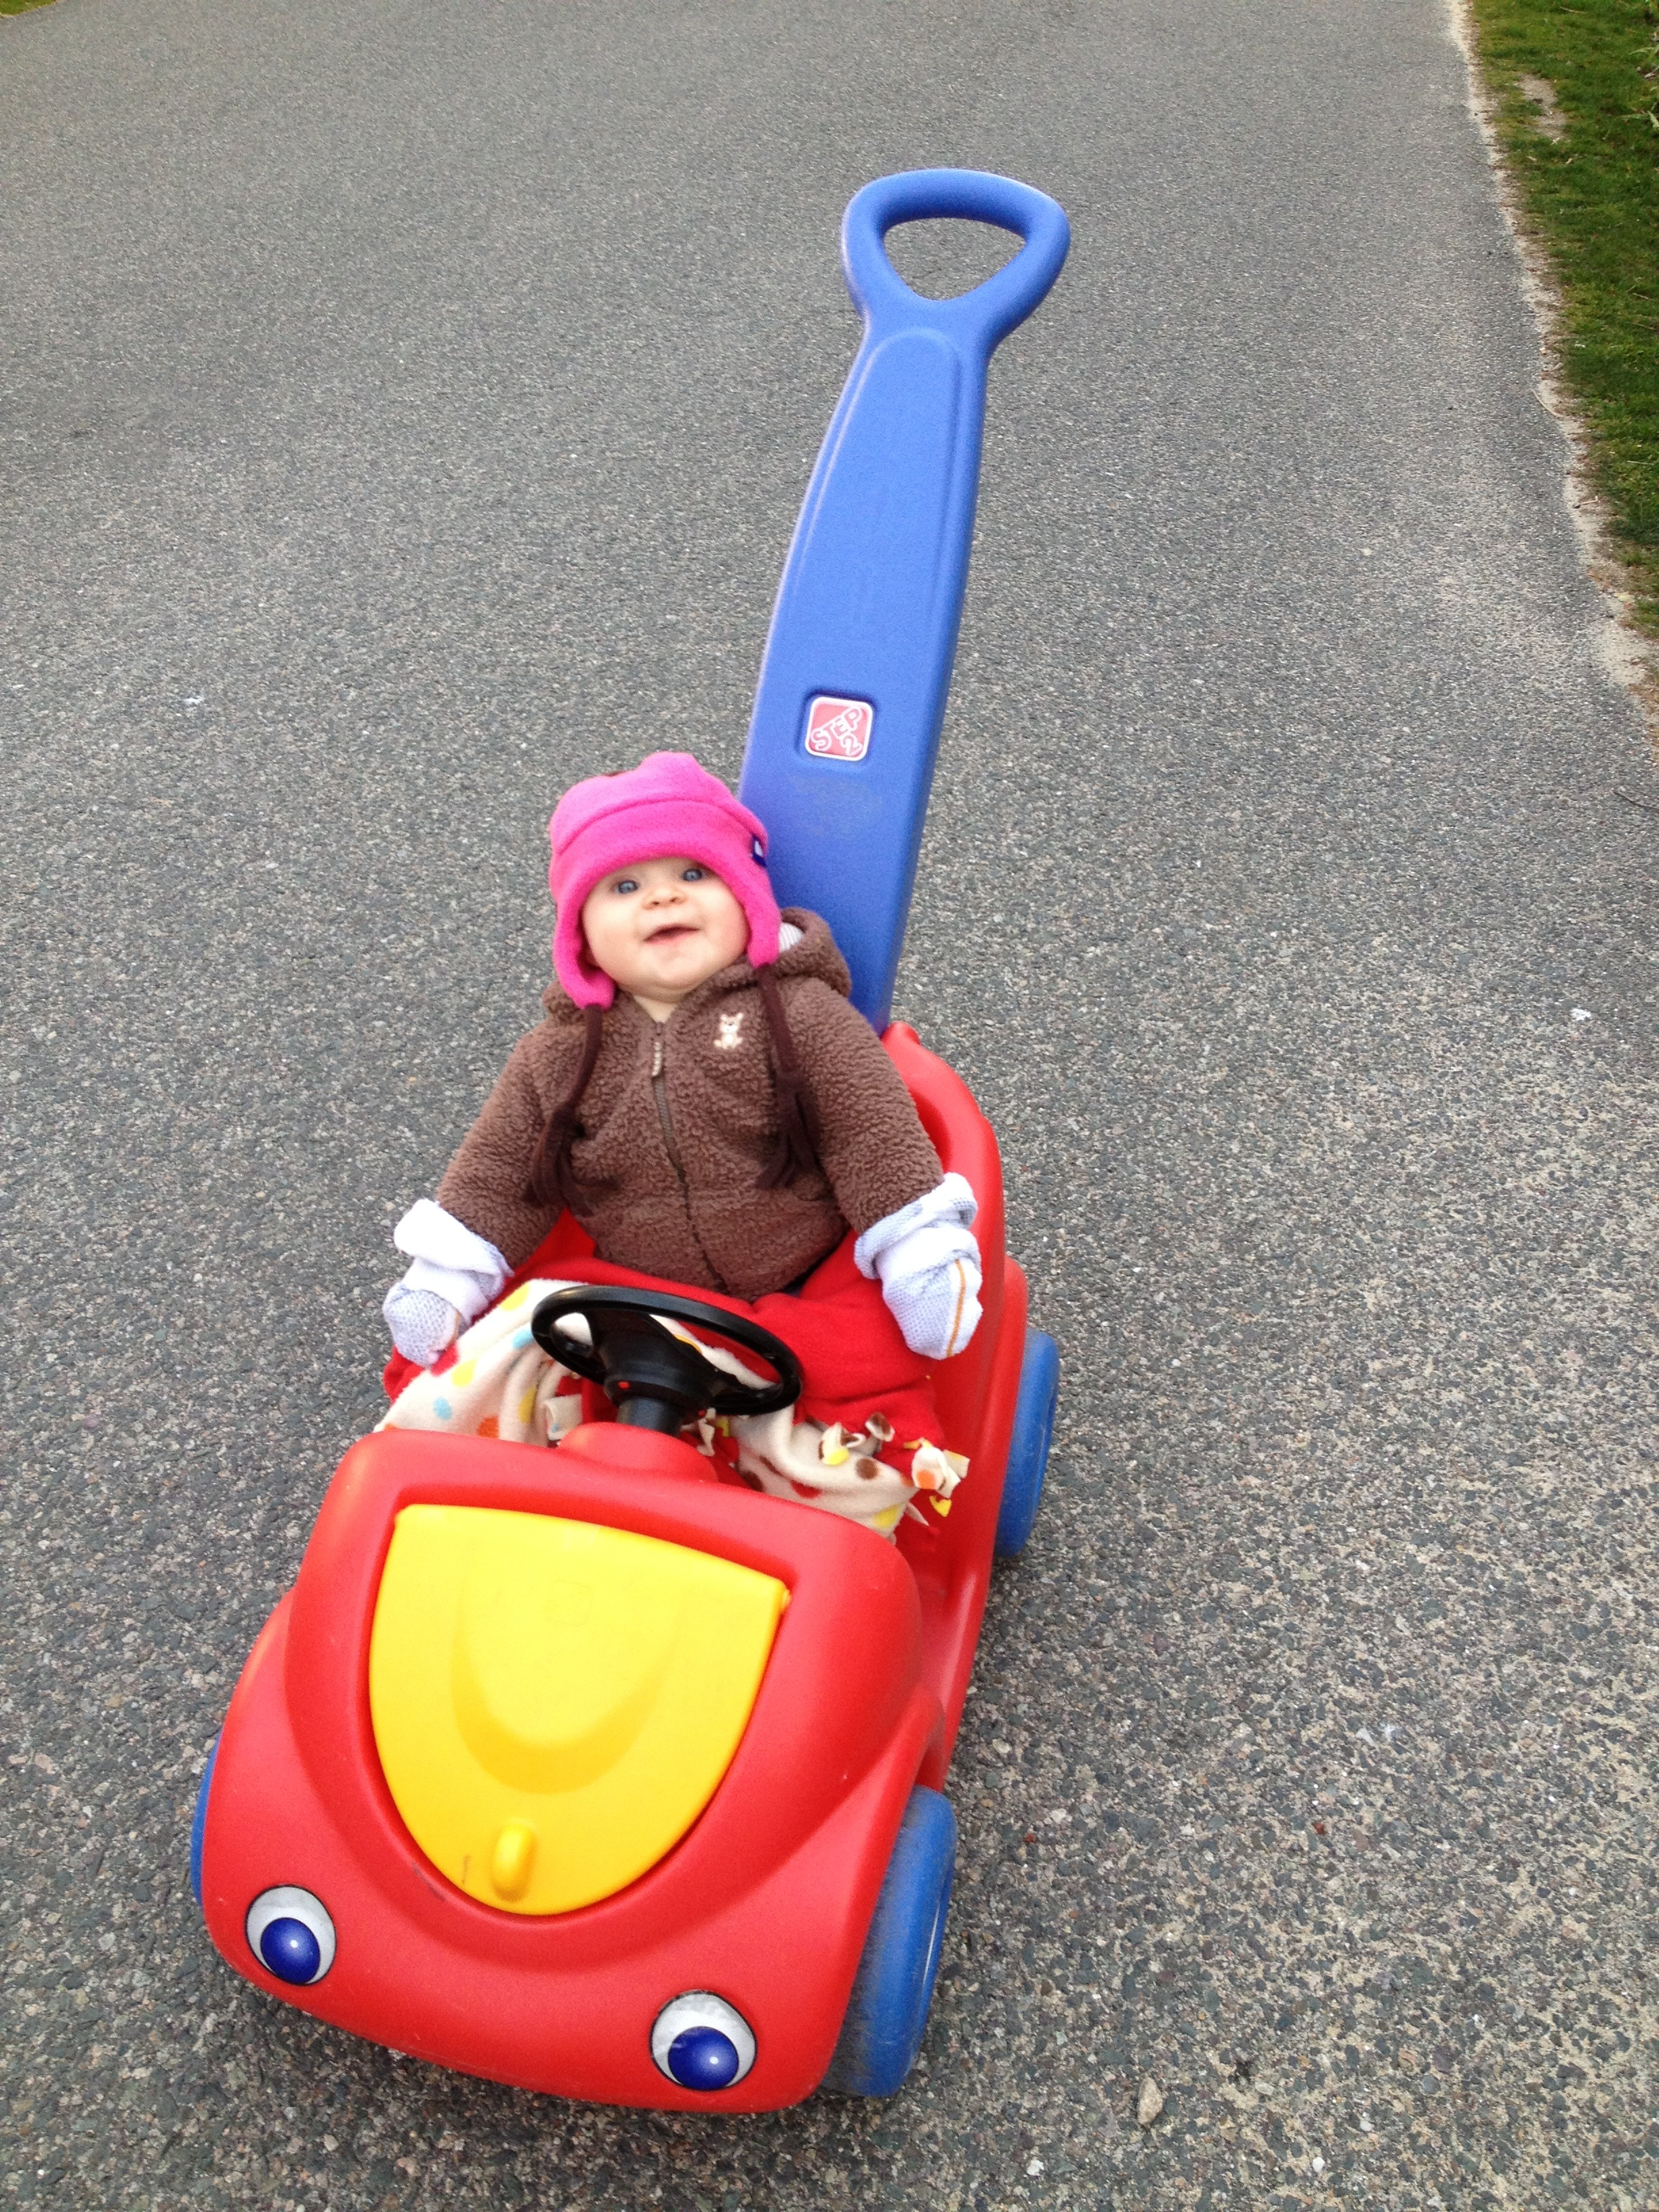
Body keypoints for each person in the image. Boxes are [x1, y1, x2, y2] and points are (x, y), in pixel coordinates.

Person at [378, 752, 981, 1534]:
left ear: (747, 901)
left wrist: (918, 1249)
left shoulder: (799, 1018)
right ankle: (486, 1506)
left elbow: (872, 1135)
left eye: (695, 874)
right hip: (629, 1298)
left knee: (858, 1427)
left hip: (804, 1283)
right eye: (624, 887)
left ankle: (811, 1539)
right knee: (498, 1364)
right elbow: (503, 1172)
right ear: (581, 934)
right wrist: (447, 1277)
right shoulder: (560, 1053)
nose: (663, 895)